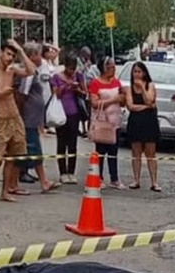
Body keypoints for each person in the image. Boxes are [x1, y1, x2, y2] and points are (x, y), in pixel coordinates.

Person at [0, 40, 36, 203]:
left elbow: (31, 70)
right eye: (7, 54)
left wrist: (21, 51)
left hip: (14, 116)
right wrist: (1, 94)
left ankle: (6, 190)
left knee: (13, 156)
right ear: (0, 53)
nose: (9, 58)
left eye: (12, 56)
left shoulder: (12, 70)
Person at [15, 43, 60, 193]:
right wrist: (22, 114)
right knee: (33, 149)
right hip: (28, 117)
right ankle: (43, 181)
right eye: (37, 54)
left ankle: (19, 181)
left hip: (34, 118)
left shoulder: (33, 72)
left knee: (30, 149)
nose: (40, 57)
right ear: (31, 56)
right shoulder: (28, 74)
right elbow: (22, 95)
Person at [88, 57, 126, 189]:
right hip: (102, 121)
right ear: (104, 68)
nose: (113, 69)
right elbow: (94, 103)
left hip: (115, 120)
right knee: (101, 151)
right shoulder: (95, 83)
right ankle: (98, 177)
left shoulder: (116, 82)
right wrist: (113, 100)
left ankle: (114, 178)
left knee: (113, 151)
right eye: (111, 67)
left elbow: (122, 101)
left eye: (114, 67)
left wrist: (122, 98)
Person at [125, 61, 161, 191]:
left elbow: (150, 100)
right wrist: (146, 107)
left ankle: (154, 182)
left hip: (149, 122)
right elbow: (130, 106)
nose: (137, 74)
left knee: (150, 152)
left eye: (139, 71)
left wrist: (143, 89)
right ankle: (136, 180)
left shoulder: (150, 85)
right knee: (136, 152)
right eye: (135, 71)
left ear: (144, 73)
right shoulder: (129, 88)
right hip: (135, 122)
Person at [51, 56, 87, 184]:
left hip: (74, 113)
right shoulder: (56, 77)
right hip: (61, 113)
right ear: (65, 66)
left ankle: (71, 172)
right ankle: (62, 172)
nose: (71, 72)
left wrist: (76, 88)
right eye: (69, 68)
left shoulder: (79, 76)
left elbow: (84, 93)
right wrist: (66, 85)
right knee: (61, 143)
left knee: (73, 144)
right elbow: (57, 94)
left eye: (73, 69)